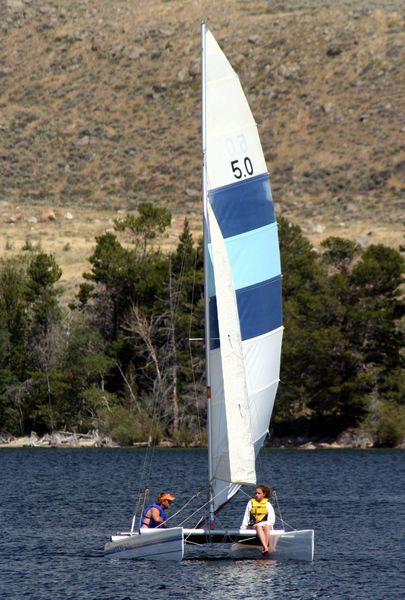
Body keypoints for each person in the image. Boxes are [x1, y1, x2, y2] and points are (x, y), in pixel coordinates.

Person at [241, 485, 275, 554]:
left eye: (259, 493)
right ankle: (265, 547)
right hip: (255, 526)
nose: (256, 495)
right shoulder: (250, 503)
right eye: (256, 493)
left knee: (266, 526)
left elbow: (272, 519)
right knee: (259, 526)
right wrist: (243, 528)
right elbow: (246, 516)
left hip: (266, 525)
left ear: (264, 494)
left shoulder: (268, 504)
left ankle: (266, 546)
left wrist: (264, 524)